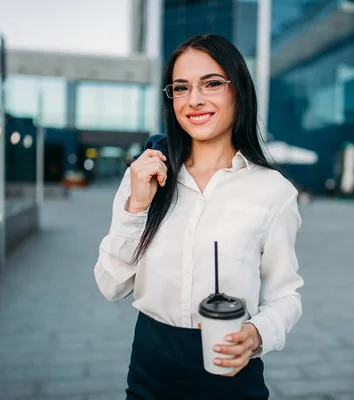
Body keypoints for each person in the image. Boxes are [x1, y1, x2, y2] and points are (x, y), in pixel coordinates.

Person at [94, 34, 303, 400]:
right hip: (151, 368)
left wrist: (257, 333)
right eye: (181, 88)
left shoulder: (274, 192)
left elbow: (285, 296)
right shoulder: (145, 176)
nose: (194, 100)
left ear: (238, 91)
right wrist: (137, 207)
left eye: (211, 84)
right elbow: (111, 285)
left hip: (231, 371)